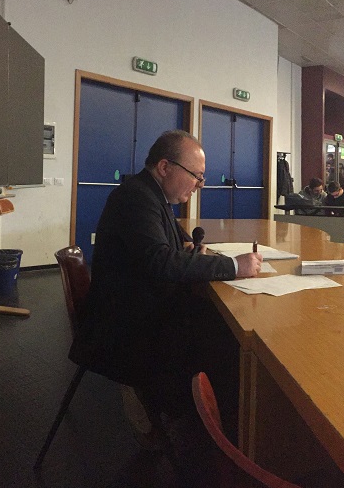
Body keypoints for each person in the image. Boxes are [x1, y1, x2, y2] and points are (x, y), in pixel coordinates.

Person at [74, 131, 260, 480]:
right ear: (164, 167)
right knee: (227, 342)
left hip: (140, 309)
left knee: (220, 329)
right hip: (130, 327)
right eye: (196, 176)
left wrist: (187, 249)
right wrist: (235, 266)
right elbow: (160, 262)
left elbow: (164, 249)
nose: (200, 185)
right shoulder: (136, 198)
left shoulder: (149, 195)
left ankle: (209, 425)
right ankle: (221, 443)